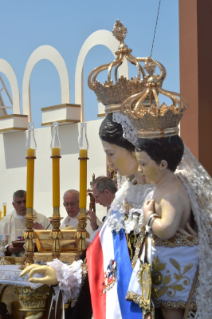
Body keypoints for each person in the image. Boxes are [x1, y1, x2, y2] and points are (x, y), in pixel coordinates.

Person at [0, 190, 49, 256]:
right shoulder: (5, 222)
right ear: (13, 205)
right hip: (12, 262)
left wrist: (36, 246)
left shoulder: (42, 219)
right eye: (19, 202)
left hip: (36, 262)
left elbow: (51, 243)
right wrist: (8, 249)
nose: (23, 205)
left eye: (25, 201)